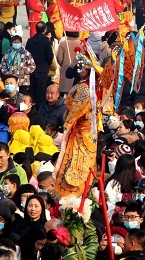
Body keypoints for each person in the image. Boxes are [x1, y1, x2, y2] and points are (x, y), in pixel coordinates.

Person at [52, 53, 98, 197]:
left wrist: (67, 123)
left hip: (81, 132)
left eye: (81, 68)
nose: (79, 70)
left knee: (78, 161)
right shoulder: (91, 87)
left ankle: (76, 192)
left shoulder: (84, 89)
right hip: (88, 131)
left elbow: (75, 111)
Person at [26, 22, 55, 106]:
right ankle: (40, 109)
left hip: (31, 69)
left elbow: (27, 54)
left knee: (32, 90)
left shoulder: (30, 40)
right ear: (45, 30)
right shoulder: (46, 41)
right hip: (43, 69)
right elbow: (50, 56)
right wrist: (46, 65)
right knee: (41, 92)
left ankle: (30, 106)